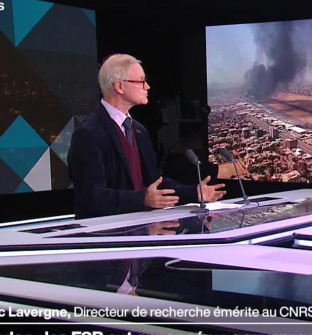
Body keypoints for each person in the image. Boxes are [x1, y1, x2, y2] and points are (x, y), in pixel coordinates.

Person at [68, 54, 226, 218]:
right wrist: (142, 199)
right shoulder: (88, 133)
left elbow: (155, 182)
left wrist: (194, 193)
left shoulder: (139, 130)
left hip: (141, 226)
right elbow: (90, 197)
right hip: (107, 230)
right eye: (141, 81)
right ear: (120, 86)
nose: (148, 86)